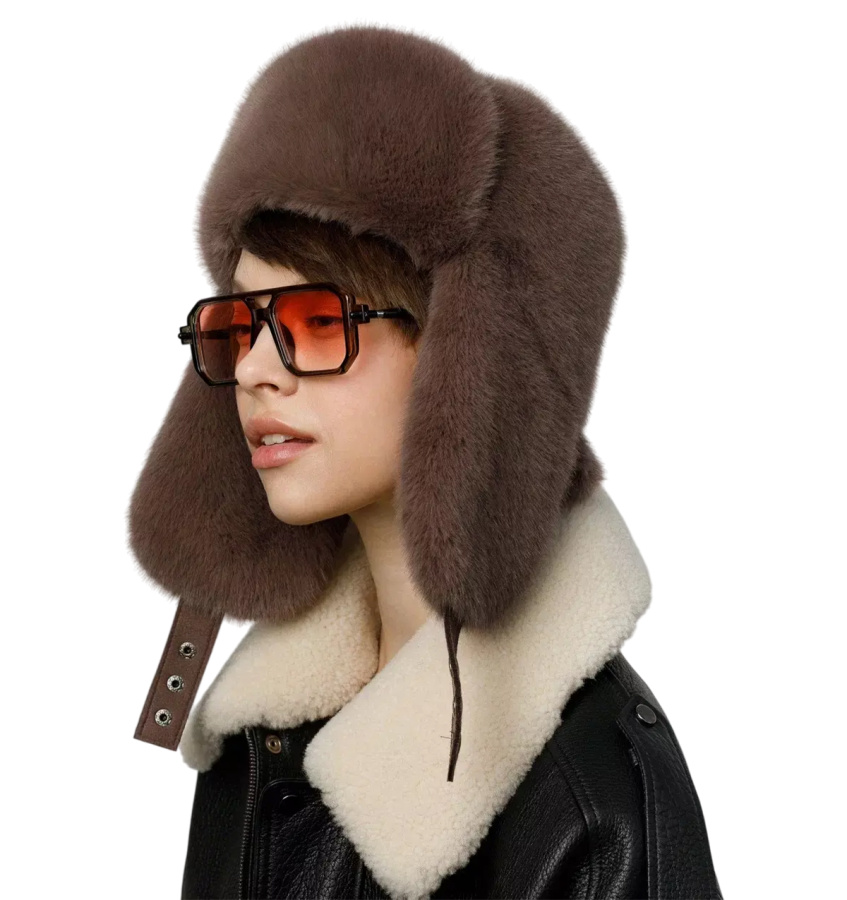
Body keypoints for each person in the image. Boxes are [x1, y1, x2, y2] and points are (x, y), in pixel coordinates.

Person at [128, 24, 723, 899]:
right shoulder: (260, 737)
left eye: (315, 322)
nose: (253, 370)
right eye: (239, 324)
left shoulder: (591, 802)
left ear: (473, 359)